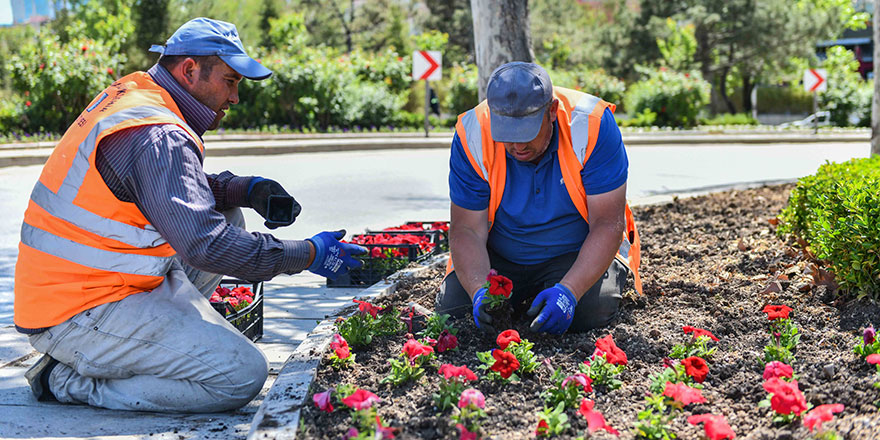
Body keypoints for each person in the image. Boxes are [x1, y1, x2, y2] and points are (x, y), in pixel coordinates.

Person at [14, 18, 365, 413]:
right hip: (76, 312)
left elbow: (163, 188)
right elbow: (206, 245)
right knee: (240, 375)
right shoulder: (156, 134)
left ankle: (151, 344)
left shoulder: (139, 96)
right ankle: (67, 380)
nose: (234, 98)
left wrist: (244, 189)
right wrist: (308, 254)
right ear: (190, 70)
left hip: (90, 288)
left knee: (228, 214)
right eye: (230, 81)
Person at [435, 62, 642, 335]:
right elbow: (466, 229)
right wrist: (478, 291)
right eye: (507, 135)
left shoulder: (590, 124)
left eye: (527, 133)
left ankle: (558, 291)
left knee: (589, 312)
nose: (518, 146)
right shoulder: (473, 132)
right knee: (455, 313)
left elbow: (607, 223)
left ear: (552, 111)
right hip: (500, 256)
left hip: (574, 252)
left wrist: (569, 292)